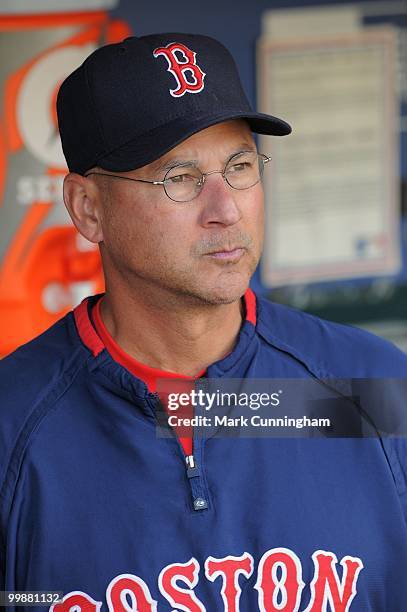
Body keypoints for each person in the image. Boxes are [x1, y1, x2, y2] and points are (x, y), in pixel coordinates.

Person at [0, 32, 407, 612]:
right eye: (180, 178)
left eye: (239, 166)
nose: (225, 210)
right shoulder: (13, 427)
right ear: (89, 208)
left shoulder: (372, 390)